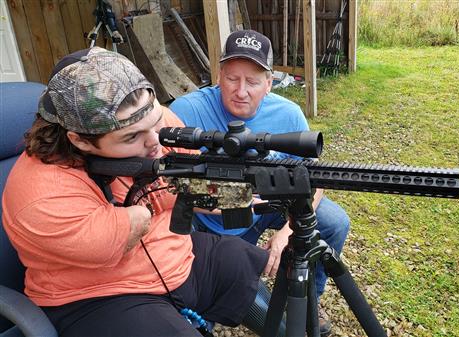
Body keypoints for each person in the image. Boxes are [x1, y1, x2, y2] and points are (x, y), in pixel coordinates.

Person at [2, 47, 268, 337]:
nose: (156, 143)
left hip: (171, 257)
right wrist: (155, 204)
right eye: (132, 137)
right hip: (95, 295)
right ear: (80, 141)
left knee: (238, 261)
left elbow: (184, 183)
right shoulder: (41, 193)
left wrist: (241, 196)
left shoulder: (146, 122)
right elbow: (130, 226)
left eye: (155, 123)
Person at [169, 29, 350, 336]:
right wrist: (231, 199)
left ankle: (307, 300)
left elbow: (315, 179)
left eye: (252, 81)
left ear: (269, 83)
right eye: (231, 79)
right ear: (219, 75)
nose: (241, 91)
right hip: (203, 222)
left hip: (265, 206)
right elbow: (166, 183)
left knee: (334, 221)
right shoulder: (186, 112)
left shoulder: (288, 115)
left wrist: (289, 230)